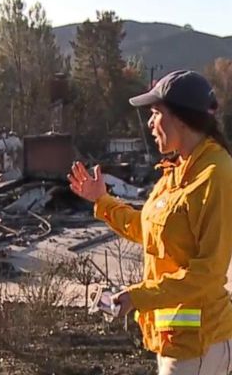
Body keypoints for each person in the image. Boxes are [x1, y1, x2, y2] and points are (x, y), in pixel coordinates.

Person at [68, 70, 232, 375]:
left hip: (198, 345)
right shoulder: (176, 171)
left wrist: (138, 296)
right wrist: (102, 202)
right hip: (173, 341)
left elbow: (208, 273)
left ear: (181, 118)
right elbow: (151, 231)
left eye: (156, 113)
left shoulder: (216, 175)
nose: (150, 123)